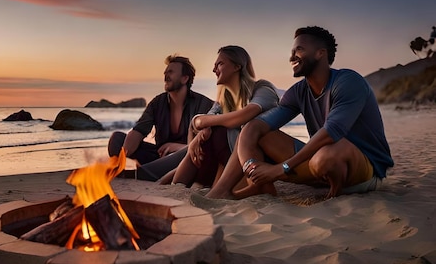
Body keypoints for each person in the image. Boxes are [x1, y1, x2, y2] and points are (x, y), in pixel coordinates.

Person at [206, 26, 394, 200]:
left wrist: (282, 168)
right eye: (292, 52)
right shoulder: (298, 91)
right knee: (254, 130)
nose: (292, 57)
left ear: (321, 53)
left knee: (326, 155)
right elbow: (256, 126)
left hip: (365, 171)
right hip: (320, 168)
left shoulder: (348, 82)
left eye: (299, 50)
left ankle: (335, 195)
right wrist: (252, 167)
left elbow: (332, 132)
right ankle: (243, 188)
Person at [158, 45, 279, 187]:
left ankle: (187, 185)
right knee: (205, 136)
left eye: (220, 64)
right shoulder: (224, 100)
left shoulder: (262, 89)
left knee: (216, 132)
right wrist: (200, 133)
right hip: (226, 158)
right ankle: (177, 186)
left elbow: (244, 116)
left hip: (253, 159)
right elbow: (198, 122)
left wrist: (209, 124)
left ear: (237, 66)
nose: (214, 69)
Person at [108, 54, 214, 181]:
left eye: (171, 72)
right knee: (117, 139)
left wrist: (178, 147)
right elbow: (139, 131)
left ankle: (149, 172)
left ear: (185, 78)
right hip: (160, 156)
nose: (166, 76)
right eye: (165, 72)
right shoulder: (157, 103)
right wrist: (122, 156)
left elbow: (208, 143)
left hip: (188, 158)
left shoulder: (203, 104)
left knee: (200, 152)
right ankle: (148, 171)